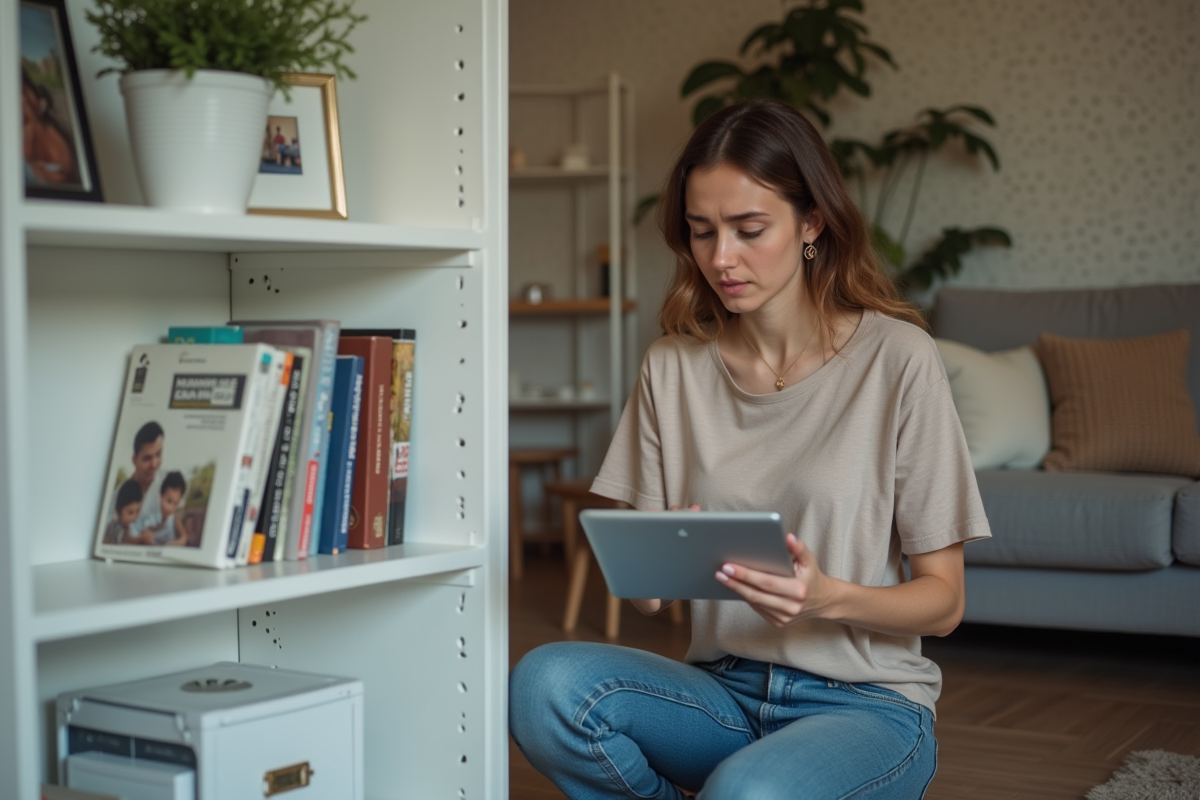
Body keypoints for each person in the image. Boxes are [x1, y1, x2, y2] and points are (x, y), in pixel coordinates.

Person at [509, 98, 992, 800]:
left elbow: (943, 604)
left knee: (748, 791)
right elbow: (646, 601)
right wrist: (654, 553)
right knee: (543, 685)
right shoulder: (671, 367)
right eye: (702, 233)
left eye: (749, 228)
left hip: (868, 707)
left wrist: (826, 598)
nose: (721, 259)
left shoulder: (899, 359)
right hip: (720, 693)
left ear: (812, 223)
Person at [132, 470, 188, 546]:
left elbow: (184, 537)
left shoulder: (174, 519)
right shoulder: (151, 516)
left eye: (175, 504)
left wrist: (175, 543)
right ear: (161, 496)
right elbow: (140, 531)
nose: (170, 508)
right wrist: (144, 536)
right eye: (169, 501)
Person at [102, 480, 143, 545]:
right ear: (118, 510)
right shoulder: (114, 526)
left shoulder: (130, 527)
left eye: (138, 512)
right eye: (130, 513)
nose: (135, 517)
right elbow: (124, 539)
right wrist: (141, 538)